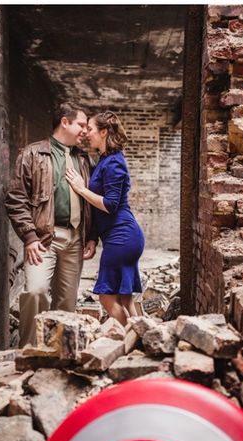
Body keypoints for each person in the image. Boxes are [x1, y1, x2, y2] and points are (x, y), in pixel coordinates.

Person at [5, 103, 97, 347]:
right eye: (81, 125)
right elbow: (15, 198)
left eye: (88, 127)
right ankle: (28, 352)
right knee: (35, 292)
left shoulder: (85, 159)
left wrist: (92, 237)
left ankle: (57, 356)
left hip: (76, 238)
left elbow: (91, 201)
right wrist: (30, 237)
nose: (85, 131)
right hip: (44, 238)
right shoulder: (32, 154)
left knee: (66, 303)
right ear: (64, 122)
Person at [65, 111, 145, 326]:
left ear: (103, 131)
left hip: (122, 237)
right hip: (120, 236)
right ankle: (142, 339)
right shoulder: (106, 159)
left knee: (106, 297)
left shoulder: (114, 163)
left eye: (90, 129)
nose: (86, 133)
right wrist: (93, 237)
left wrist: (81, 189)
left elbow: (110, 205)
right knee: (124, 299)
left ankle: (127, 343)